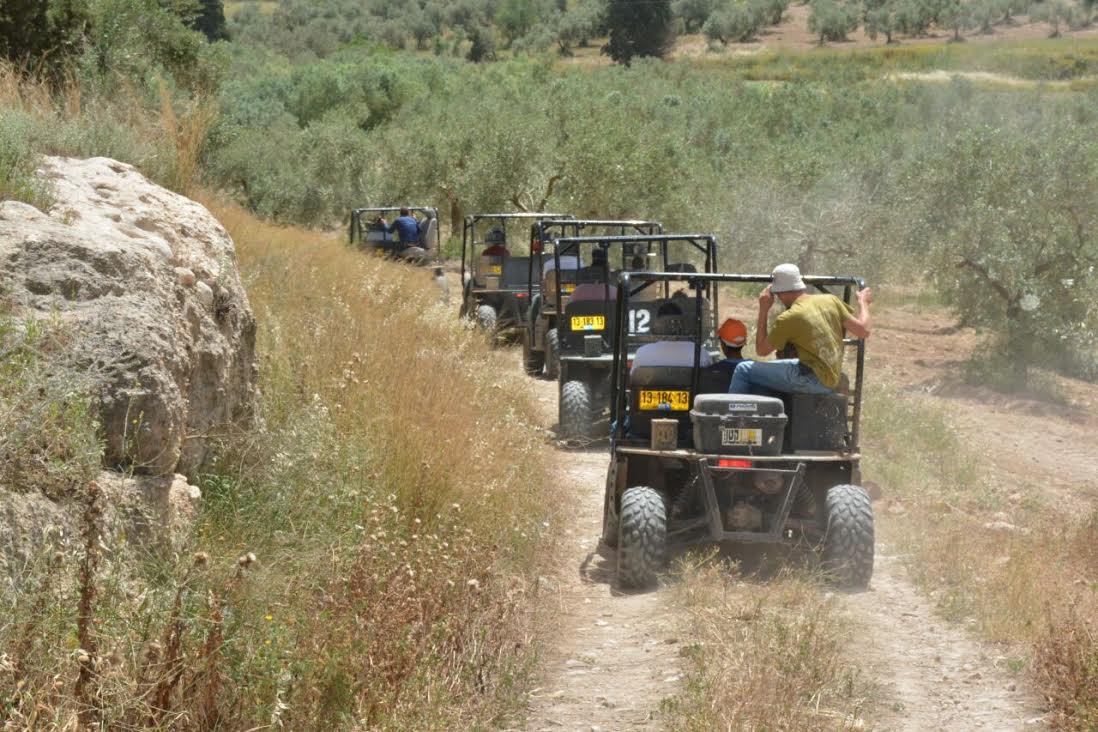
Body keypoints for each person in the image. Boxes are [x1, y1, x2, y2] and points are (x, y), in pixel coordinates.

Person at [728, 263, 872, 396]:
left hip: (810, 380)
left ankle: (732, 420)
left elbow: (761, 350)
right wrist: (863, 303)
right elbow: (863, 330)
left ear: (779, 292)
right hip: (831, 378)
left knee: (743, 369)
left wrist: (763, 309)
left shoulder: (789, 317)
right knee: (767, 368)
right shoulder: (830, 300)